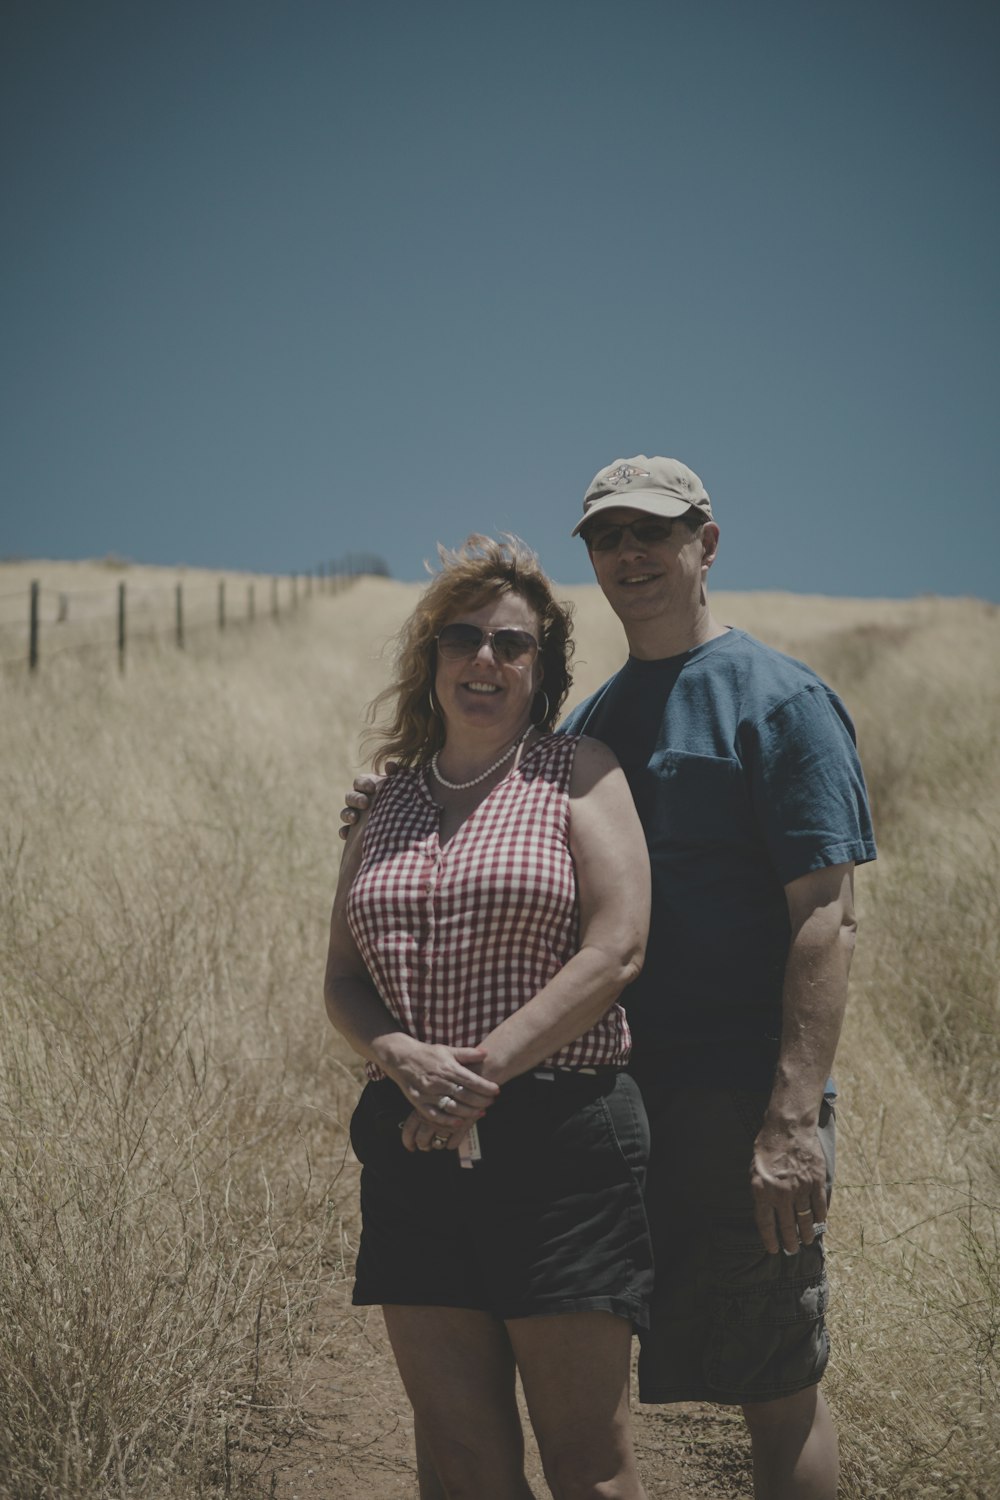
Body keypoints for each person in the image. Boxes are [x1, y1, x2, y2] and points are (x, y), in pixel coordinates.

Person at [342, 458, 877, 1500]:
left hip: (734, 1094)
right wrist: (385, 800)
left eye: (654, 532)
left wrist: (790, 1114)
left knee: (771, 1376)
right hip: (606, 1095)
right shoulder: (588, 721)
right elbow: (497, 804)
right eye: (608, 537)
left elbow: (825, 915)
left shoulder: (782, 701)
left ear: (704, 544)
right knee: (590, 1381)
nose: (630, 554)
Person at [324, 534, 654, 1500]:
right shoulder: (382, 799)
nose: (485, 661)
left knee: (588, 1465)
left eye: (512, 645)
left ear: (542, 667)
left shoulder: (577, 770)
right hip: (410, 1144)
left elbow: (618, 945)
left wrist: (477, 1074)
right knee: (461, 1460)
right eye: (462, 638)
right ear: (428, 660)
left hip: (564, 1144)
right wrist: (396, 1054)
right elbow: (342, 978)